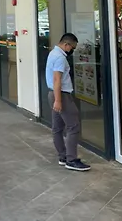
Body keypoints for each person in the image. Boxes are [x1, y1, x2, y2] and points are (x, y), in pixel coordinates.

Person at [46, 33, 91, 172]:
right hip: (61, 95)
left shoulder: (53, 53)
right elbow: (57, 80)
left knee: (57, 128)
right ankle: (71, 160)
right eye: (72, 47)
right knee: (73, 126)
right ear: (66, 45)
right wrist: (59, 100)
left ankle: (63, 156)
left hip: (52, 93)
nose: (72, 50)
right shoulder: (60, 58)